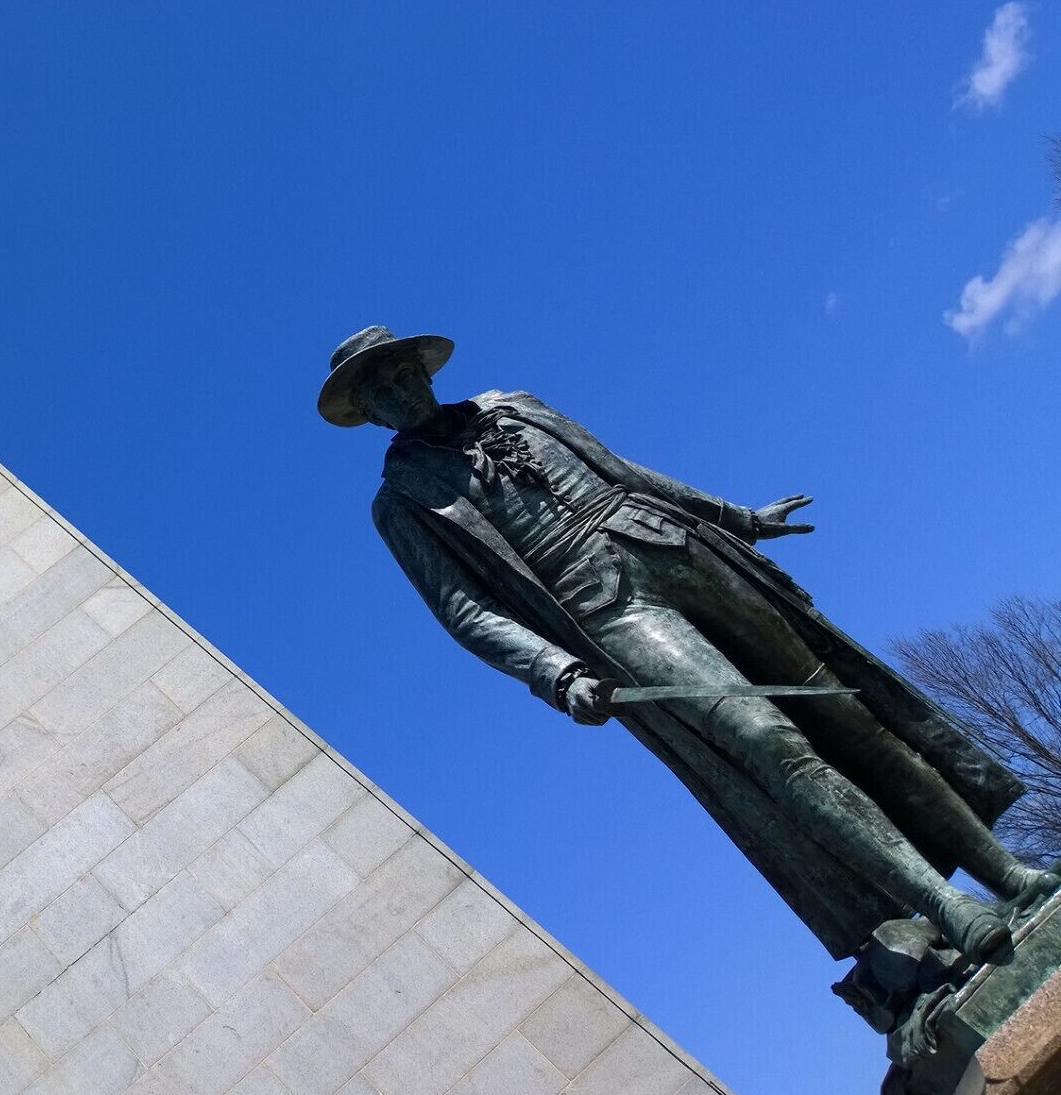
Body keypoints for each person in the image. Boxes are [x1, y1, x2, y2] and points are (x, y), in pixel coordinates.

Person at [322, 325, 1052, 962]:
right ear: (369, 415)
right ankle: (946, 906)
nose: (397, 394)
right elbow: (465, 611)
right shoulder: (402, 501)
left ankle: (1007, 875)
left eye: (401, 374)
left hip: (678, 546)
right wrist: (555, 672)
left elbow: (623, 470)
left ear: (423, 370)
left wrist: (738, 518)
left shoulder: (515, 404)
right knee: (766, 740)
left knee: (846, 711)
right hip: (606, 610)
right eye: (378, 392)